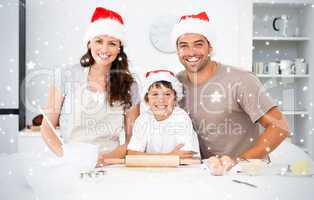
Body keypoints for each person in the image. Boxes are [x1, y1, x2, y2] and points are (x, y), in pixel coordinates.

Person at [171, 11, 289, 174]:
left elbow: (280, 127)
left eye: (198, 44)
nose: (191, 52)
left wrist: (239, 162)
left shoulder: (240, 80)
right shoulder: (175, 83)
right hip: (204, 173)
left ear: (210, 47)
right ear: (177, 50)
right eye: (183, 45)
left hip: (246, 173)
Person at [40, 7, 140, 166]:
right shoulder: (66, 76)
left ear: (119, 48)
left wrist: (104, 160)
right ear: (89, 43)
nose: (105, 49)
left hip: (112, 165)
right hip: (71, 164)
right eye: (99, 41)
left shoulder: (130, 85)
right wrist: (69, 157)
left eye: (112, 43)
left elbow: (132, 139)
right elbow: (47, 129)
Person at [127, 70, 199, 158]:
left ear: (175, 99)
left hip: (181, 169)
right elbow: (132, 154)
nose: (161, 99)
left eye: (167, 94)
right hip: (154, 169)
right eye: (155, 94)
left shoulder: (181, 117)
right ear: (147, 99)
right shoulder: (143, 119)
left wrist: (147, 157)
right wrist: (169, 156)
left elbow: (186, 154)